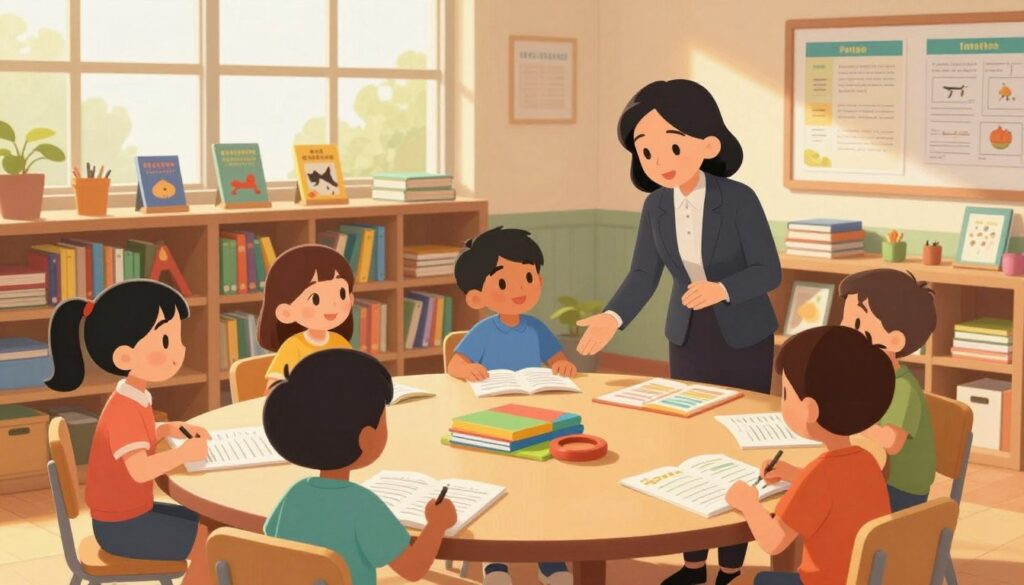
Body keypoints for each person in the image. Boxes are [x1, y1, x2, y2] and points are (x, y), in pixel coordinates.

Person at [575, 79, 781, 585]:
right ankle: (692, 563)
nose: (659, 158)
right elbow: (643, 275)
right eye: (646, 151)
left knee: (735, 451)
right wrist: (612, 317)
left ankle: (730, 565)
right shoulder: (656, 207)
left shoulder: (739, 200)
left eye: (671, 144)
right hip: (687, 334)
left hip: (742, 334)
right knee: (688, 449)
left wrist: (723, 289)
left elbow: (768, 271)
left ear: (707, 143)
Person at [46, 279, 210, 585]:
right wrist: (182, 453)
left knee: (211, 526)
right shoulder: (124, 409)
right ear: (125, 356)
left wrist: (167, 429)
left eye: (177, 339)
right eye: (165, 341)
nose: (180, 350)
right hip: (121, 528)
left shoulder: (132, 395)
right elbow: (139, 469)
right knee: (206, 541)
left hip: (126, 516)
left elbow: (137, 439)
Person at [447, 226, 575, 585]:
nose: (519, 290)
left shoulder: (536, 329)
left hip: (539, 421)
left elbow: (557, 359)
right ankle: (495, 561)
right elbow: (455, 365)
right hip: (491, 423)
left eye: (529, 277)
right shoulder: (484, 332)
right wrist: (468, 368)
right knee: (497, 492)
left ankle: (548, 558)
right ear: (477, 297)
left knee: (543, 493)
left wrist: (561, 366)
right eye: (504, 283)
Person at [263, 349, 457, 585]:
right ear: (366, 438)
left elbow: (270, 544)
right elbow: (413, 568)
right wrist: (436, 525)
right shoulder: (362, 506)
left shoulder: (294, 495)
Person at [725, 326, 894, 585]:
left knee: (743, 582)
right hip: (865, 580)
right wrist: (792, 474)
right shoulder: (867, 461)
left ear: (809, 409)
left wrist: (748, 502)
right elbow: (836, 491)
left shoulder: (820, 474)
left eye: (785, 394)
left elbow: (773, 542)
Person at [839, 269, 937, 511]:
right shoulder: (871, 377)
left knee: (830, 499)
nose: (844, 329)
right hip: (877, 471)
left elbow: (892, 442)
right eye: (845, 320)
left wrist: (854, 423)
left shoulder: (902, 389)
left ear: (895, 340)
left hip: (900, 489)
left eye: (856, 323)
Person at [257, 244, 355, 391]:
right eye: (315, 299)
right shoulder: (293, 347)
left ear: (351, 298)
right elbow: (273, 388)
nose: (333, 304)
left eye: (341, 294)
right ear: (286, 312)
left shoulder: (341, 343)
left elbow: (354, 376)